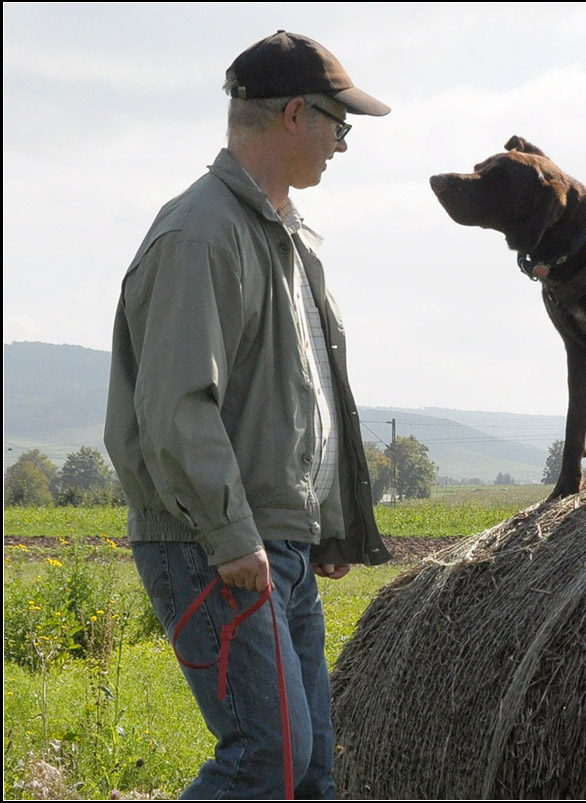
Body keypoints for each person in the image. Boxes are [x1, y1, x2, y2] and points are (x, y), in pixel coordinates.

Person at [104, 31, 393, 799]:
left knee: (311, 773)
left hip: (276, 543)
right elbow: (175, 408)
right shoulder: (201, 234)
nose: (342, 142)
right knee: (267, 760)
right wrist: (233, 535)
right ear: (296, 114)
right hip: (215, 541)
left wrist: (321, 520)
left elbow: (300, 398)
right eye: (340, 122)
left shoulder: (287, 239)